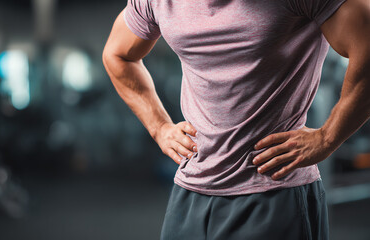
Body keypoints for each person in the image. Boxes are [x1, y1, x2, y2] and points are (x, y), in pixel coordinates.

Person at [102, 0, 370, 239]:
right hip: (190, 191)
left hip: (273, 190)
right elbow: (118, 54)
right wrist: (159, 127)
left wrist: (327, 138)